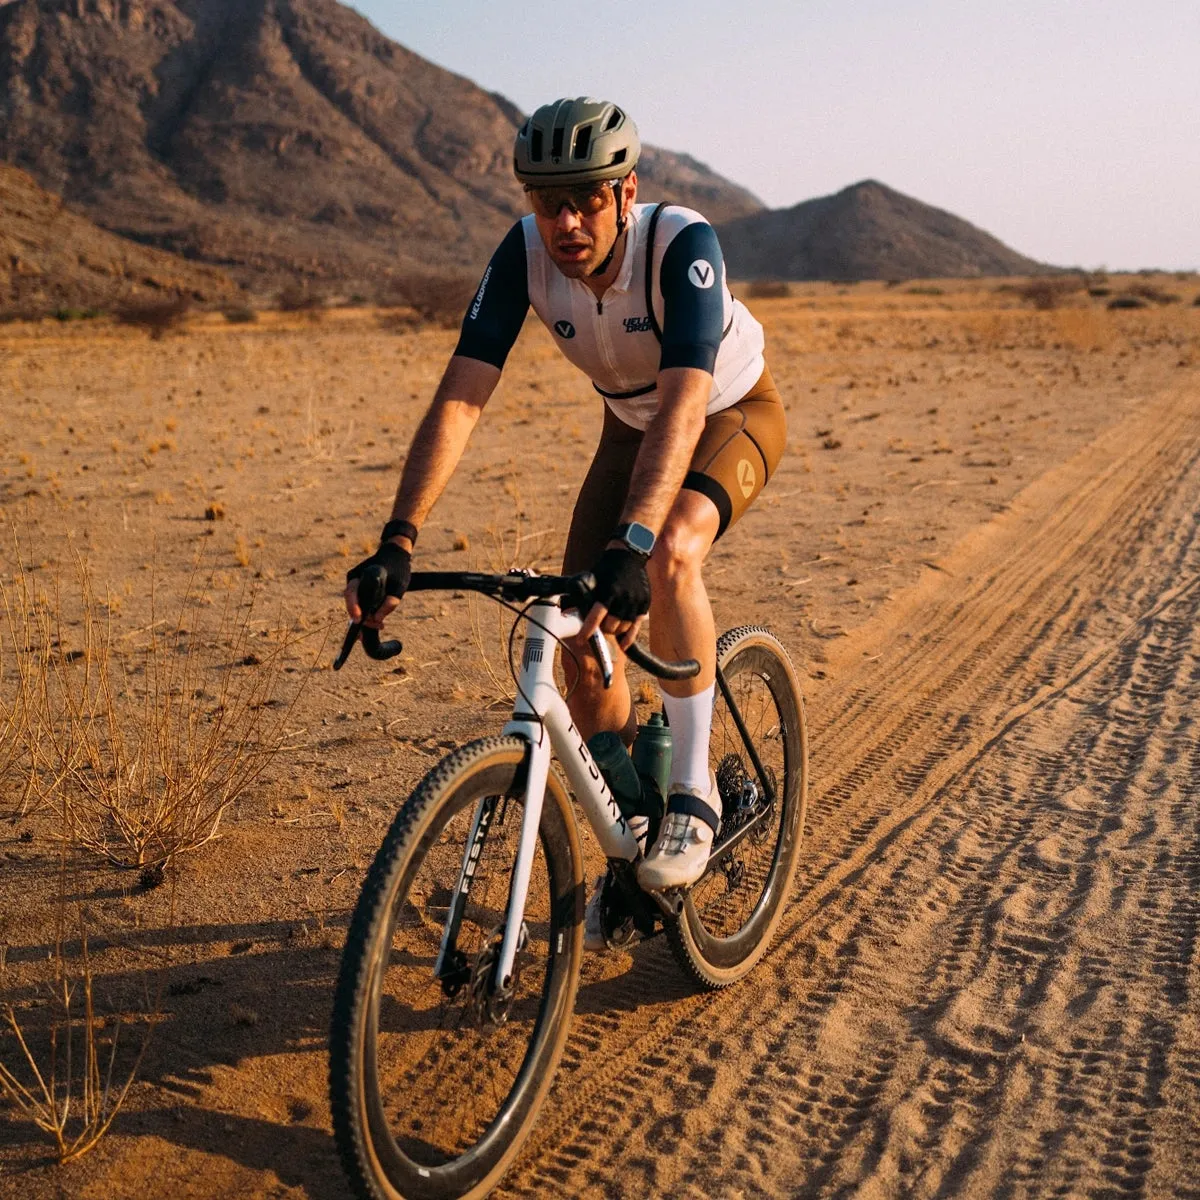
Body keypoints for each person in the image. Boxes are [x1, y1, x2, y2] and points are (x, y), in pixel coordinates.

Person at [344, 97, 786, 914]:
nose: (568, 221)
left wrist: (635, 540)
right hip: (630, 429)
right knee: (572, 626)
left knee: (668, 555)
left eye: (588, 199)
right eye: (549, 203)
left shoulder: (681, 243)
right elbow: (462, 398)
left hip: (727, 413)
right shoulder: (523, 256)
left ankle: (694, 796)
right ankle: (636, 816)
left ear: (626, 194)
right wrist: (397, 540)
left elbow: (687, 402)